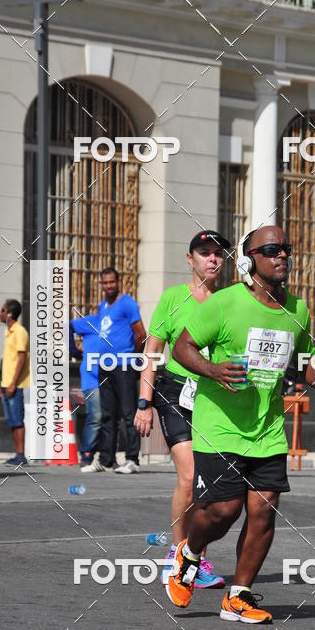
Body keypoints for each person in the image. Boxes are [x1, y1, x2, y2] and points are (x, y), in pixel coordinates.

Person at [166, 226, 315, 624]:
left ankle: (238, 596)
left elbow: (304, 360)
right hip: (220, 425)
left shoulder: (297, 310)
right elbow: (182, 348)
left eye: (286, 249)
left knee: (264, 509)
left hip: (268, 429)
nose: (282, 256)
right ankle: (189, 554)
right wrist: (212, 370)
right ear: (249, 261)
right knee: (224, 511)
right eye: (272, 249)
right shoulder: (224, 304)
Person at [134, 230, 231, 590]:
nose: (212, 259)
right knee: (189, 476)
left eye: (218, 254)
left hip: (212, 394)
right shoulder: (173, 298)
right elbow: (152, 351)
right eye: (204, 253)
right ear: (189, 259)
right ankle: (177, 554)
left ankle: (193, 553)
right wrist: (144, 403)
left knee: (211, 483)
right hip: (174, 391)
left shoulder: (228, 301)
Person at [81, 268, 147, 474]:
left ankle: (132, 460)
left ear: (118, 282)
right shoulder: (103, 306)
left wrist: (132, 357)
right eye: (105, 283)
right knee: (108, 415)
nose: (109, 286)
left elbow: (141, 335)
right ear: (101, 284)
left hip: (123, 365)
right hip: (104, 366)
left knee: (128, 414)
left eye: (112, 282)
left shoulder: (127, 303)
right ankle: (106, 459)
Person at [0, 299, 30, 467]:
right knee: (12, 421)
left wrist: (12, 384)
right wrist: (2, 385)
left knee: (17, 420)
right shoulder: (9, 332)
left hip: (15, 385)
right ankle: (17, 454)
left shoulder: (20, 332)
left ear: (9, 314)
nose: (0, 313)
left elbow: (21, 358)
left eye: (2, 310)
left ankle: (21, 455)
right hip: (7, 384)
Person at [71, 316, 103, 466]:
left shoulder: (119, 324)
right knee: (95, 416)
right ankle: (87, 454)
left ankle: (109, 457)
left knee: (111, 418)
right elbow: (67, 327)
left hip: (112, 376)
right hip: (92, 378)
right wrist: (74, 351)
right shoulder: (92, 321)